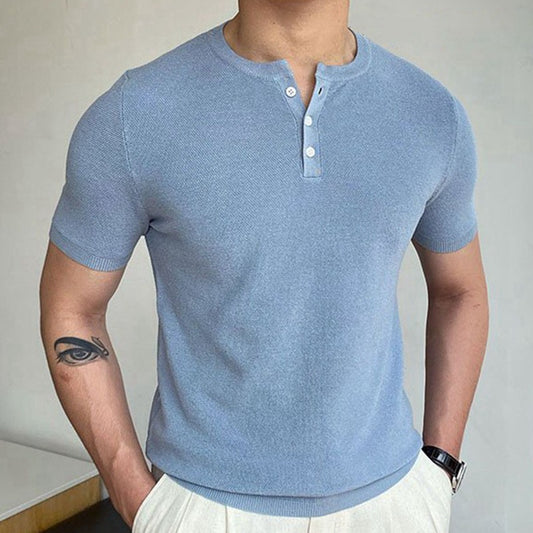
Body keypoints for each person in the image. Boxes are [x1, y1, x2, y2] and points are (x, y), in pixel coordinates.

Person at [39, 1, 489, 531]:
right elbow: (72, 308)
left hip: (394, 503)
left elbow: (461, 293)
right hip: (205, 507)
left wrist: (439, 468)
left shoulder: (431, 114)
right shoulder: (134, 115)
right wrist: (139, 499)